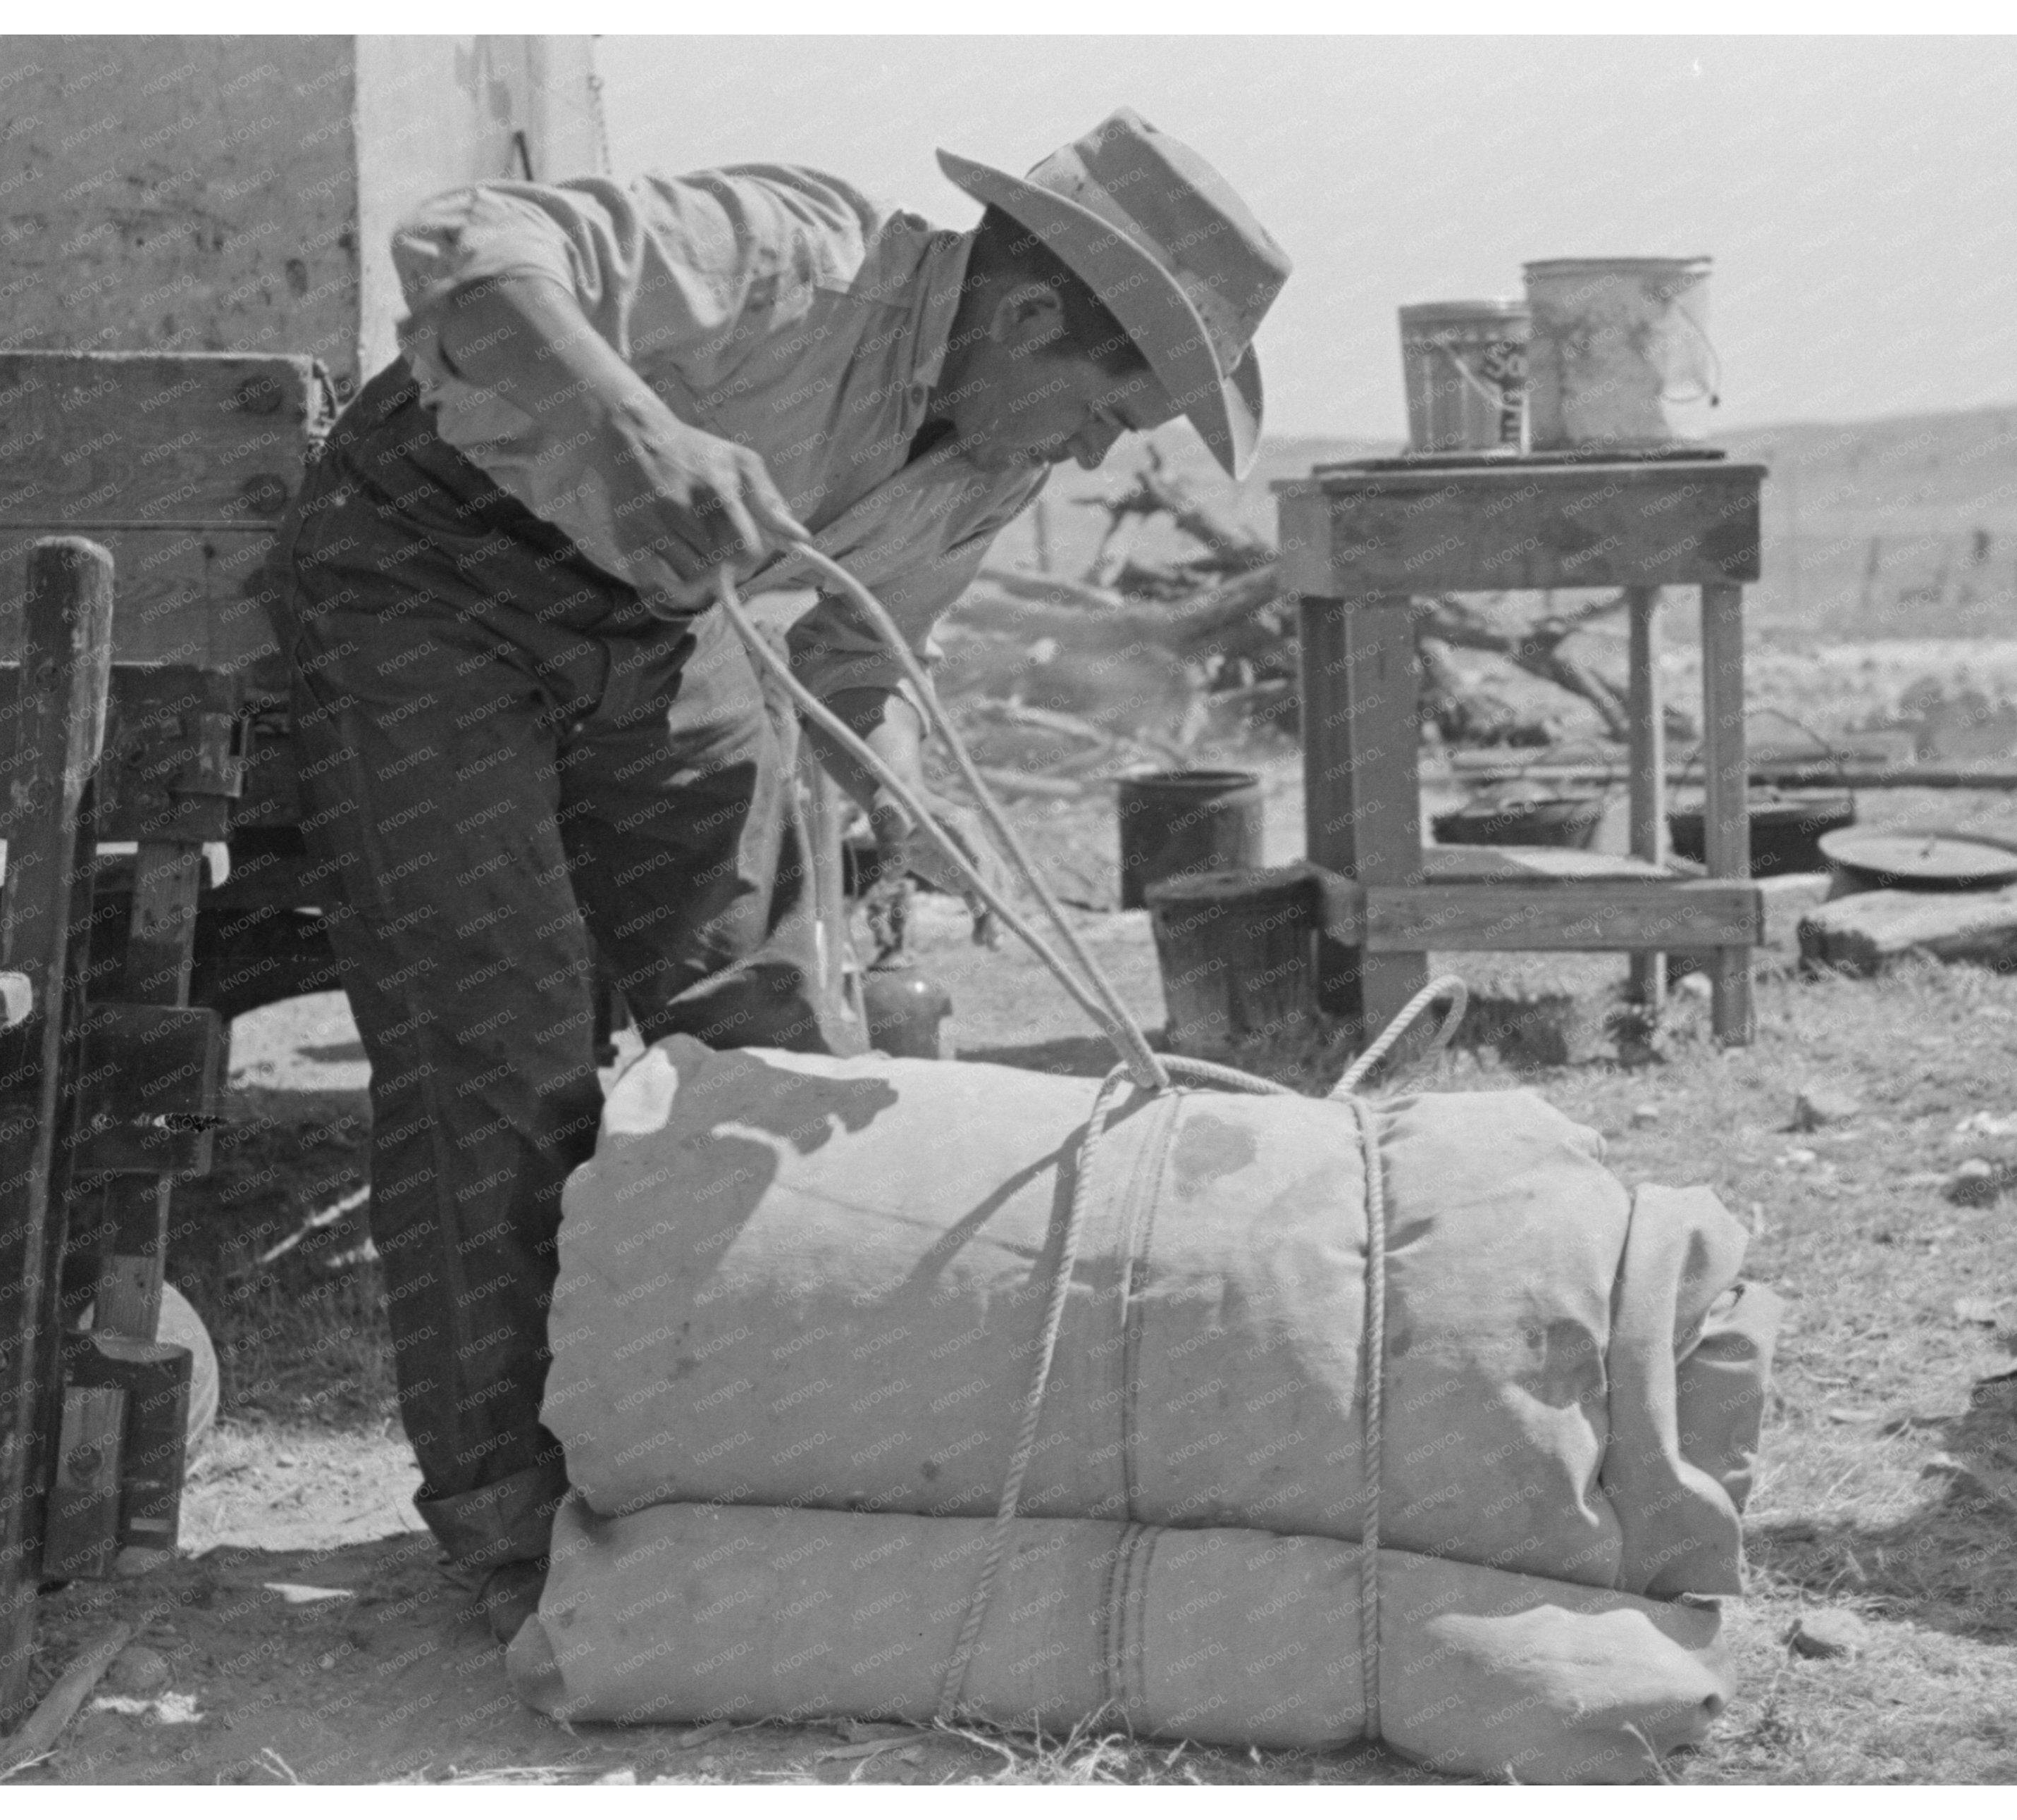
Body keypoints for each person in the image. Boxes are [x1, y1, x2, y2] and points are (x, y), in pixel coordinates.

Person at [269, 109, 1290, 1641]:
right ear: (1023, 316)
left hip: (673, 634)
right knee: (505, 1040)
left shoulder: (990, 460)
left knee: (773, 1028)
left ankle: (761, 1438)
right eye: (1105, 407)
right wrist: (632, 427)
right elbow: (466, 249)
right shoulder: (796, 260)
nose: (1091, 452)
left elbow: (851, 655)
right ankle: (500, 1511)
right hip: (431, 568)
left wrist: (893, 794)